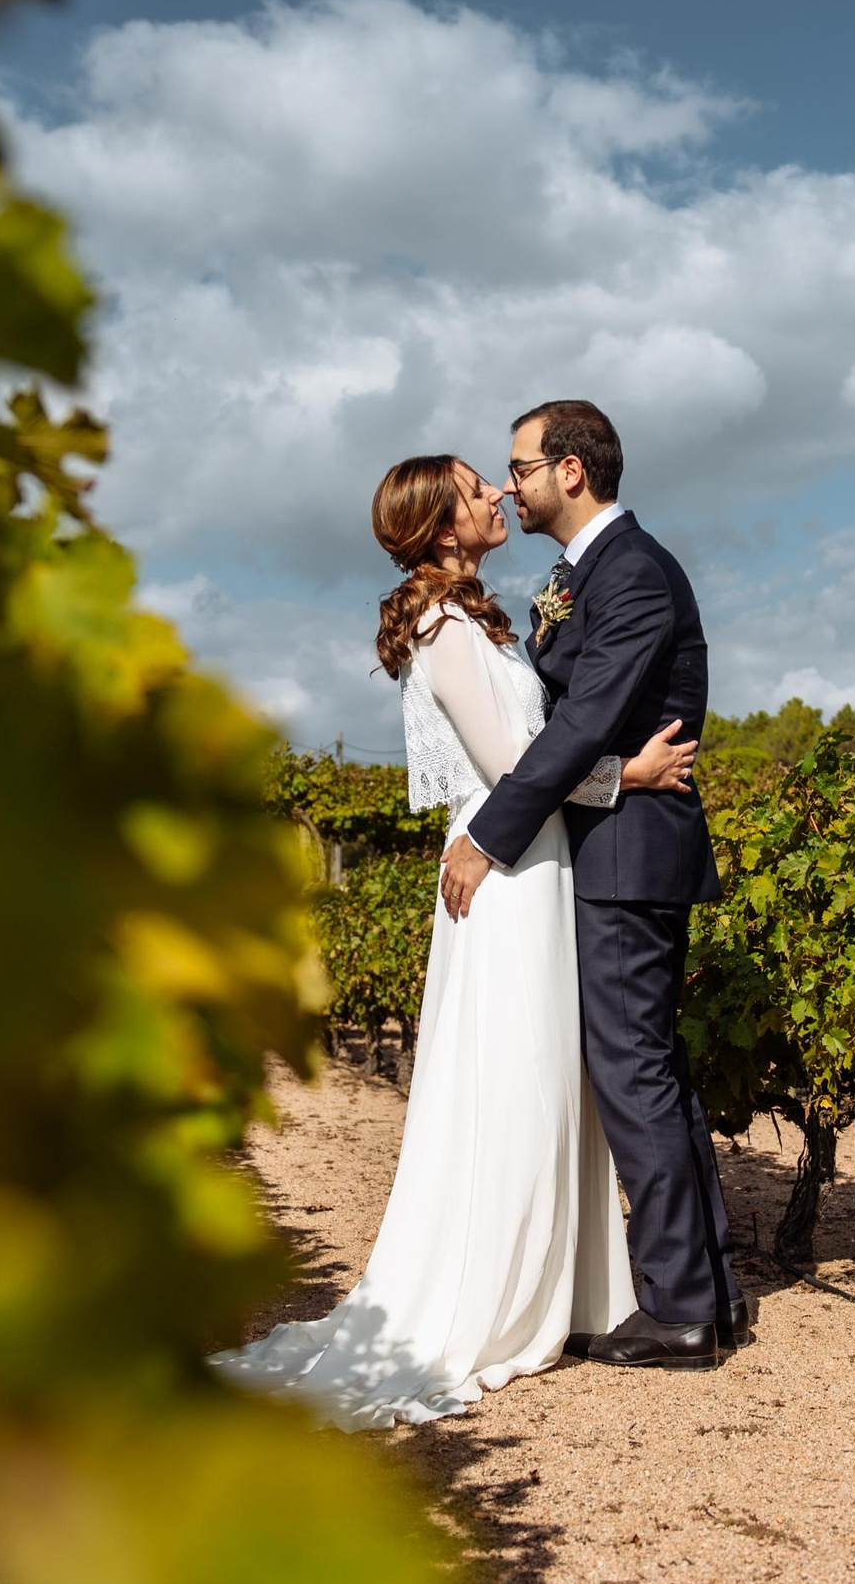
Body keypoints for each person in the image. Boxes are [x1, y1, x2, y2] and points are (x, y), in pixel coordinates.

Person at [209, 453, 700, 1429]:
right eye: (479, 490)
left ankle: (557, 1288)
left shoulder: (478, 617)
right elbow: (512, 762)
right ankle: (495, 1295)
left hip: (533, 856)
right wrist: (629, 775)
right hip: (506, 867)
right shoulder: (440, 624)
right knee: (515, 1072)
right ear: (443, 528)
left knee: (546, 1072)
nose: (497, 496)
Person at [442, 399, 747, 1372]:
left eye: (519, 467)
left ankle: (681, 1308)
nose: (509, 485)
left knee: (632, 1071)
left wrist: (488, 836)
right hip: (608, 843)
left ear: (570, 470)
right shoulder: (584, 575)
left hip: (628, 855)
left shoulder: (635, 574)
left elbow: (583, 723)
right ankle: (706, 1292)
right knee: (646, 1066)